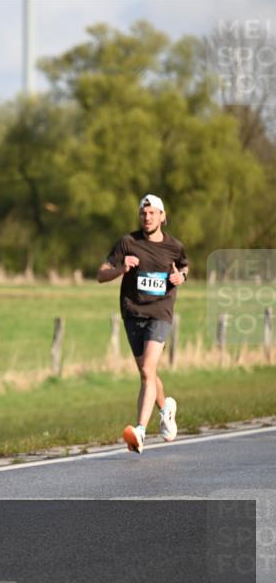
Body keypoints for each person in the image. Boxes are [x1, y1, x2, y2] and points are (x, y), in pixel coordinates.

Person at [97, 194, 189, 453]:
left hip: (160, 312)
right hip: (132, 313)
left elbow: (184, 266)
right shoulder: (127, 243)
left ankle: (139, 431)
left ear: (162, 216)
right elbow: (100, 274)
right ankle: (165, 409)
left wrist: (181, 276)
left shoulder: (174, 246)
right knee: (146, 372)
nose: (147, 217)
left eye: (152, 213)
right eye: (143, 213)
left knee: (148, 369)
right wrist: (121, 269)